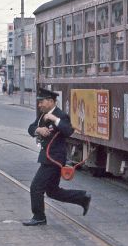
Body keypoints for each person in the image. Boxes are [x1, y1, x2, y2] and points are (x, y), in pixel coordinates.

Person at [23, 88, 91, 226]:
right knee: (53, 191)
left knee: (36, 187)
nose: (39, 105)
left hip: (53, 159)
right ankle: (82, 197)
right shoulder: (43, 115)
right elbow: (31, 128)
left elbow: (68, 130)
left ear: (51, 101)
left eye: (41, 102)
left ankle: (39, 216)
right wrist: (38, 130)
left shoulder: (60, 115)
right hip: (47, 157)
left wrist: (54, 119)